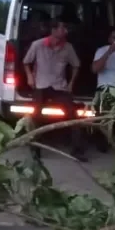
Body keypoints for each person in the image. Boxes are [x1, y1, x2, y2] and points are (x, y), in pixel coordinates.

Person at [23, 19, 86, 161]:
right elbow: (26, 62)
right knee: (36, 115)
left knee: (73, 115)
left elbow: (76, 65)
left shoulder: (68, 47)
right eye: (63, 28)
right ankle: (35, 149)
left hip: (59, 87)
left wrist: (71, 83)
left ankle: (77, 150)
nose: (66, 31)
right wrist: (29, 77)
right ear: (54, 30)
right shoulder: (38, 45)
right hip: (41, 85)